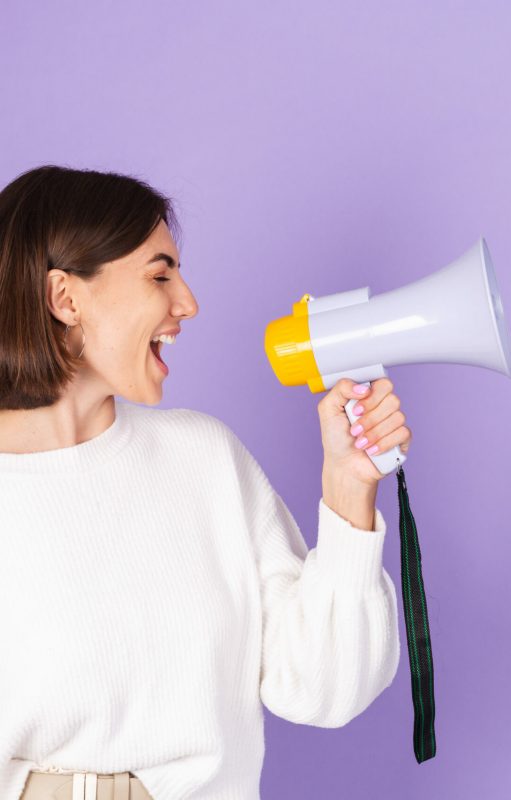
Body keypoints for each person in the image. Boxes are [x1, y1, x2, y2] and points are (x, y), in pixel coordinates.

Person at [0, 165, 410, 800]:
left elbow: (327, 688)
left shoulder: (205, 459)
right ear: (65, 297)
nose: (187, 303)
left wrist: (348, 488)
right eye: (160, 275)